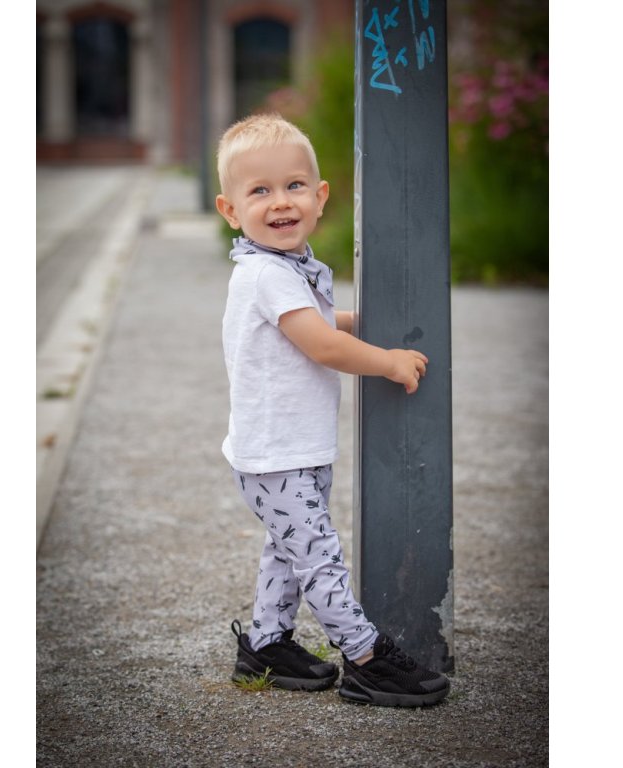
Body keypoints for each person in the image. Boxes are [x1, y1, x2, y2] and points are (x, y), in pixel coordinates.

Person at [215, 113, 450, 707]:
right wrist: (387, 361)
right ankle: (366, 658)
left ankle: (266, 646)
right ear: (230, 210)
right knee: (320, 559)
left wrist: (364, 322)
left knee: (288, 550)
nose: (280, 202)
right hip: (277, 456)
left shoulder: (283, 270)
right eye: (260, 191)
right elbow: (322, 345)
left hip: (291, 450)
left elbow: (317, 322)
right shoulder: (266, 275)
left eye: (294, 185)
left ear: (319, 197)